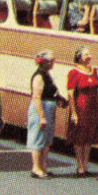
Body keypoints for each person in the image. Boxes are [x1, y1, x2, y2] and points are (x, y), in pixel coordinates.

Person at [26, 50, 64, 179]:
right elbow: (36, 97)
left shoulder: (47, 74)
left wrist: (59, 98)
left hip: (49, 106)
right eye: (51, 61)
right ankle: (36, 168)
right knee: (38, 137)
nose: (53, 63)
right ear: (44, 62)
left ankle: (43, 166)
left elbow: (52, 91)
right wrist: (41, 117)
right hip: (41, 108)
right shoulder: (38, 76)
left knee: (47, 139)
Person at [66, 46, 98, 176]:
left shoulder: (94, 71)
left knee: (89, 136)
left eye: (89, 54)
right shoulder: (73, 72)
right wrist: (74, 113)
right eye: (86, 55)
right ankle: (79, 165)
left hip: (93, 107)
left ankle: (86, 164)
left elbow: (97, 90)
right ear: (79, 58)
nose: (89, 57)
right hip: (81, 106)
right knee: (79, 136)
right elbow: (70, 94)